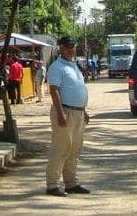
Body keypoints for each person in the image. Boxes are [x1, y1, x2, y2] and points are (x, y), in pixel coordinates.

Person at [45, 35, 91, 197]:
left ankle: (71, 183)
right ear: (61, 48)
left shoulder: (73, 65)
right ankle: (52, 185)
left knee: (75, 149)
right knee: (61, 148)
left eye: (73, 46)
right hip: (65, 112)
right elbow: (54, 90)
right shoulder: (57, 67)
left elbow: (75, 88)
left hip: (77, 112)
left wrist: (83, 110)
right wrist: (60, 114)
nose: (71, 50)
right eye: (68, 47)